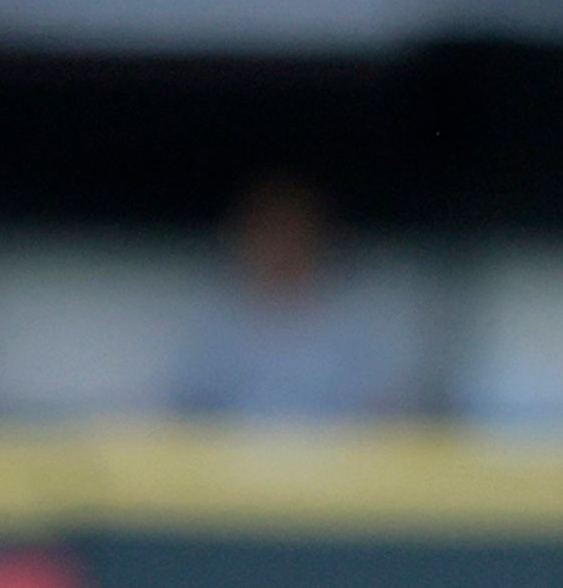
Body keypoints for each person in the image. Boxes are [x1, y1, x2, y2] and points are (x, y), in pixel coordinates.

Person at [172, 177, 415, 421]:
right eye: (271, 232)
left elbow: (384, 414)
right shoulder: (216, 323)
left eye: (293, 231)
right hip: (236, 455)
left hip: (335, 455)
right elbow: (187, 412)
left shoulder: (356, 323)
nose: (282, 246)